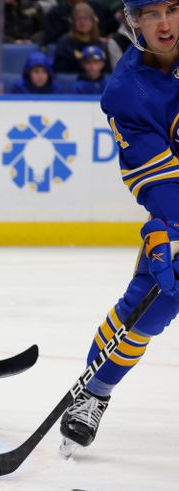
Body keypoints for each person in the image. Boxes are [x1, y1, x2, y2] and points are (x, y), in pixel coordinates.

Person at [59, 0, 179, 456]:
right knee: (156, 299)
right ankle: (94, 392)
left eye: (172, 8)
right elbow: (163, 181)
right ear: (132, 22)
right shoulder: (128, 93)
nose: (164, 24)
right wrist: (169, 225)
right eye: (151, 14)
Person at [53, 2, 110, 74]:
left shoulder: (100, 44)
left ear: (93, 21)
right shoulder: (64, 43)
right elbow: (60, 72)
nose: (82, 22)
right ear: (73, 22)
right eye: (78, 18)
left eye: (86, 18)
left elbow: (108, 72)